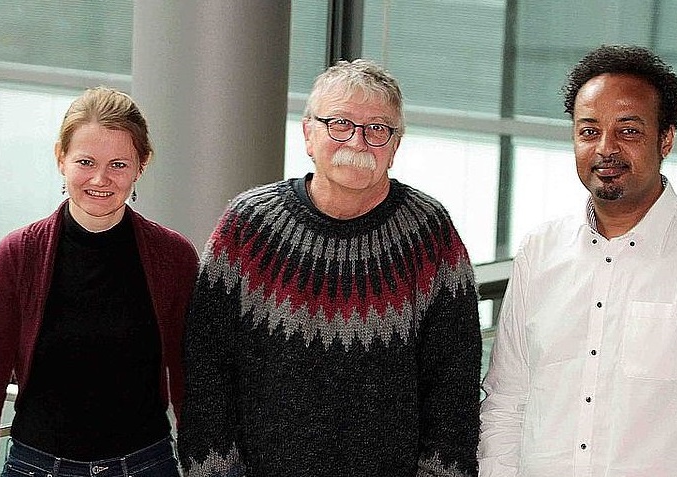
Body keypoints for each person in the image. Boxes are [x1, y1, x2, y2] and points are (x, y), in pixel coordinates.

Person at [478, 44, 677, 476]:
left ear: (665, 138)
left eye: (628, 131)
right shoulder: (540, 251)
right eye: (588, 131)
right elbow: (505, 403)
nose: (605, 148)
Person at [178, 59, 482, 477]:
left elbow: (454, 383)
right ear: (308, 134)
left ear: (395, 145)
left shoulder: (430, 234)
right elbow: (207, 369)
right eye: (339, 123)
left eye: (378, 129)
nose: (358, 142)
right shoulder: (247, 226)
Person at [0, 86, 199, 477]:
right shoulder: (16, 256)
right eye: (86, 161)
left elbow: (191, 389)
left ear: (142, 165)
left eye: (119, 164)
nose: (100, 179)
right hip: (36, 466)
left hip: (145, 466)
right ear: (61, 158)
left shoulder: (174, 258)